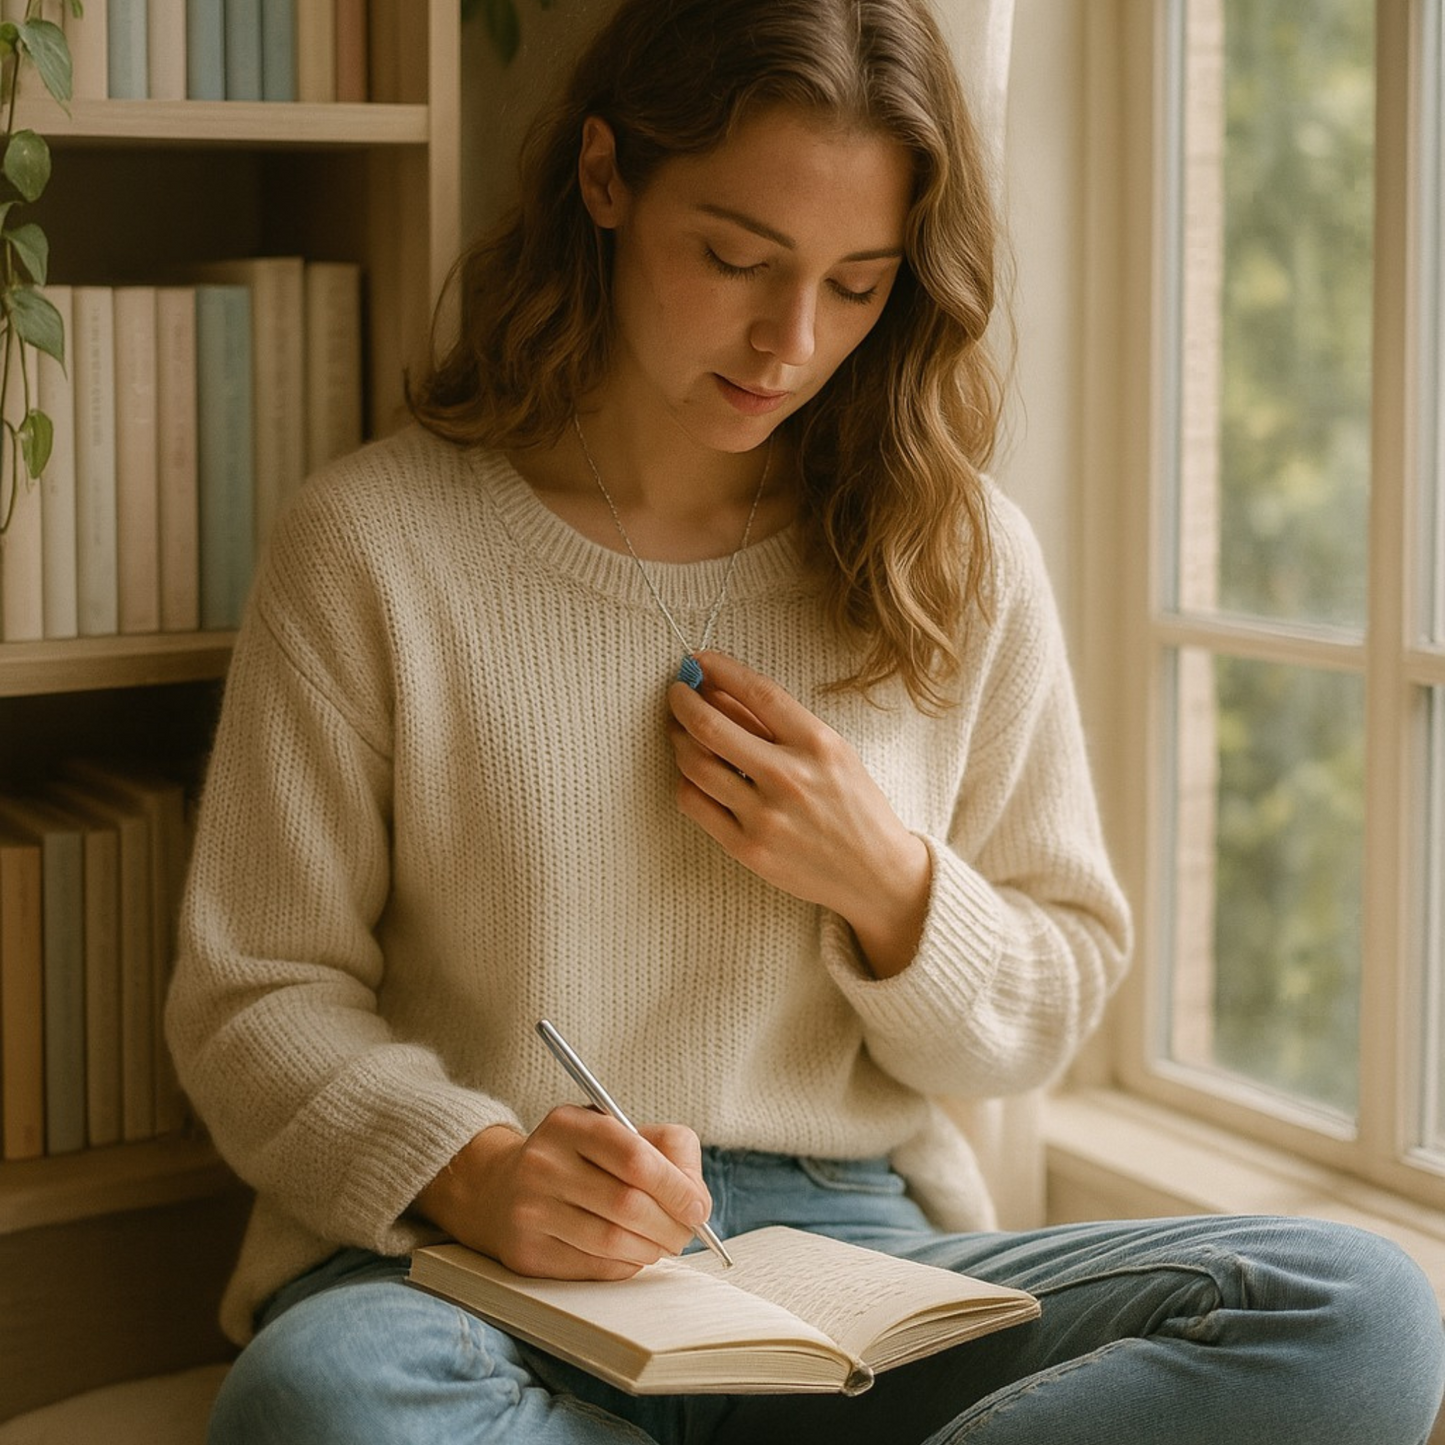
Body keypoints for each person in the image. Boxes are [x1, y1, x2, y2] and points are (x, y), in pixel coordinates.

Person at [165, 0, 1445, 1440]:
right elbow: (251, 999)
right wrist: (476, 1171)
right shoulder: (375, 546)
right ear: (603, 177)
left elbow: (1055, 989)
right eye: (734, 258)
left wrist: (888, 885)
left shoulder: (955, 556)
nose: (790, 339)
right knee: (324, 1404)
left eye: (857, 284)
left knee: (1358, 1310)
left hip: (845, 1262)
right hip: (471, 1265)